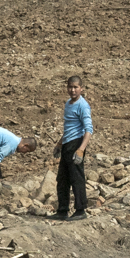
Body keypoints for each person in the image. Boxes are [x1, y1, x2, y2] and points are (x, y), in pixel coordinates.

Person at [55, 76, 93, 221]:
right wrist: (60, 143)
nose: (72, 90)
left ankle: (80, 210)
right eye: (70, 87)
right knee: (63, 178)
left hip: (77, 143)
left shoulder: (83, 105)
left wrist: (81, 149)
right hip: (67, 143)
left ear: (81, 88)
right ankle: (62, 210)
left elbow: (89, 129)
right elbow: (69, 126)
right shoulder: (68, 103)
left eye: (75, 87)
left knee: (77, 177)